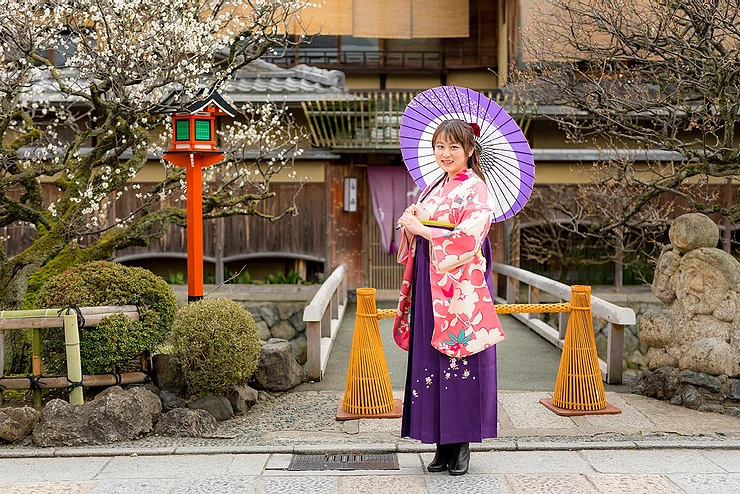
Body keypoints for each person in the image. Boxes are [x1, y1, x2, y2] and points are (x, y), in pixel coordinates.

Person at [394, 119, 506, 476]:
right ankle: (442, 445)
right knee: (432, 359)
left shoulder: (476, 188)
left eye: (454, 147)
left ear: (470, 151)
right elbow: (422, 227)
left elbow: (471, 237)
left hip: (459, 287)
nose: (445, 153)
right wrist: (411, 222)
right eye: (440, 146)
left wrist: (424, 229)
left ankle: (461, 447)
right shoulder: (433, 187)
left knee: (460, 358)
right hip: (431, 281)